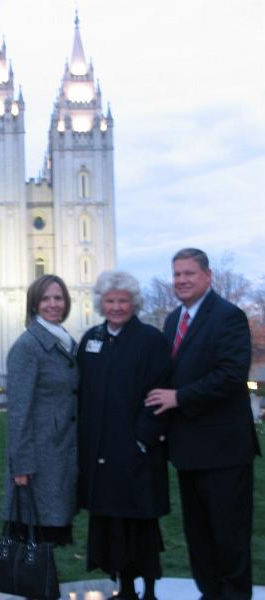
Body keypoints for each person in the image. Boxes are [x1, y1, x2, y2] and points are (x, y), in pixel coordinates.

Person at [146, 248, 261, 600]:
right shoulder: (172, 320)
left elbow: (230, 376)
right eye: (177, 274)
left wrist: (179, 397)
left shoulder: (228, 317)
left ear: (207, 276)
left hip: (224, 450)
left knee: (229, 535)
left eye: (189, 274)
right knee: (200, 536)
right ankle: (209, 593)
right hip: (188, 449)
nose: (181, 280)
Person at [77, 270, 171, 600]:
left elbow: (161, 391)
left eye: (123, 301)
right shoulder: (92, 339)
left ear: (134, 303)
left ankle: (149, 590)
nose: (116, 306)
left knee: (141, 524)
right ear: (101, 303)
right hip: (103, 455)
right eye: (110, 300)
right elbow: (82, 392)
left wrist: (142, 439)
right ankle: (125, 587)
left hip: (137, 453)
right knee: (114, 526)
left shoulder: (150, 340)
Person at [1, 274, 78, 545]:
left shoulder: (65, 341)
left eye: (58, 298)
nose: (53, 304)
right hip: (39, 459)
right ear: (34, 304)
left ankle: (46, 586)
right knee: (37, 535)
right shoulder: (28, 346)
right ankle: (35, 587)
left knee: (51, 532)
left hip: (62, 452)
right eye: (45, 299)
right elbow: (18, 411)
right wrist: (20, 465)